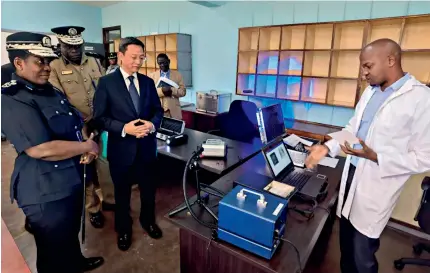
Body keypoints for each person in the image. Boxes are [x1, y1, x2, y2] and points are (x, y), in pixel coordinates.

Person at [305, 38, 430, 273]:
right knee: (346, 251)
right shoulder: (370, 93)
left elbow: (425, 157)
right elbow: (353, 130)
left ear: (391, 60)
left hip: (376, 185)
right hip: (350, 176)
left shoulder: (421, 98)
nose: (364, 73)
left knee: (363, 258)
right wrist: (327, 147)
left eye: (368, 66)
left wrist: (376, 157)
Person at [1, 31, 104, 273]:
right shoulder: (14, 98)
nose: (48, 67)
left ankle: (76, 261)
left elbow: (72, 127)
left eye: (48, 60)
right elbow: (40, 149)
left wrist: (83, 143)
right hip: (45, 189)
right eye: (40, 61)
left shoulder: (51, 91)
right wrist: (87, 146)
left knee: (69, 231)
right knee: (51, 249)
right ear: (19, 63)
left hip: (70, 176)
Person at [93, 37, 164, 251]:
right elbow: (100, 117)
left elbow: (158, 111)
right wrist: (125, 128)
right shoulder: (106, 83)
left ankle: (148, 221)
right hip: (121, 151)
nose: (138, 62)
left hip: (146, 149)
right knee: (121, 194)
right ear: (120, 55)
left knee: (148, 190)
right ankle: (123, 229)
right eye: (133, 57)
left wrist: (151, 125)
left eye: (141, 57)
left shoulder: (148, 82)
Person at [49, 26, 115, 229]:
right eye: (69, 46)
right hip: (76, 127)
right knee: (84, 165)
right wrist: (82, 122)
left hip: (100, 122)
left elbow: (105, 89)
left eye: (78, 45)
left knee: (105, 162)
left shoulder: (94, 61)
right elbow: (58, 99)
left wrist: (101, 117)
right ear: (61, 46)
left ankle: (110, 200)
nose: (75, 50)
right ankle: (92, 208)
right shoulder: (54, 67)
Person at [148, 53, 186, 120]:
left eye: (164, 63)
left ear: (169, 61)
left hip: (174, 111)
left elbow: (183, 92)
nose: (162, 65)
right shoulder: (152, 76)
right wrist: (162, 91)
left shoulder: (178, 75)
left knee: (174, 129)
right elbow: (149, 94)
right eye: (160, 63)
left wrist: (171, 90)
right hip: (158, 111)